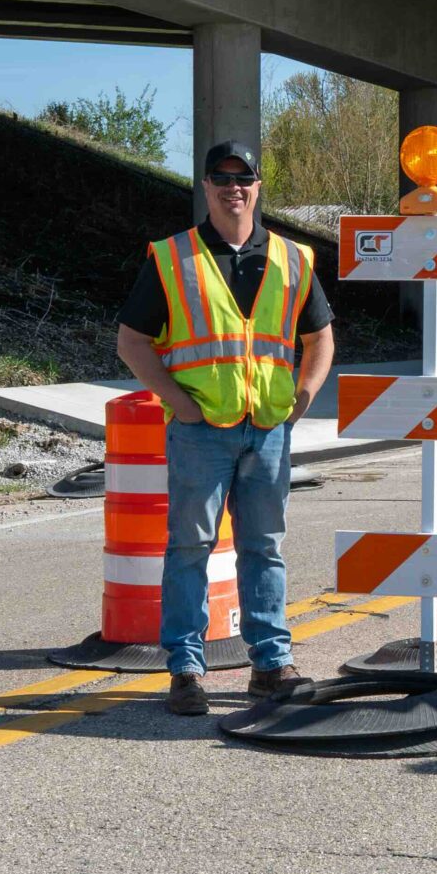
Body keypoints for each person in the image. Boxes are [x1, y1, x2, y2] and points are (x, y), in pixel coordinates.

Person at [116, 141, 335, 715]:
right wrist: (177, 403)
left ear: (259, 186)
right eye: (221, 177)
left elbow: (321, 337)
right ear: (207, 187)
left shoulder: (293, 258)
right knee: (190, 547)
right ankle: (186, 671)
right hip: (201, 430)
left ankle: (270, 665)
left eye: (244, 178)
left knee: (265, 548)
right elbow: (132, 341)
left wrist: (303, 397)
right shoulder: (173, 258)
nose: (233, 187)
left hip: (266, 431)